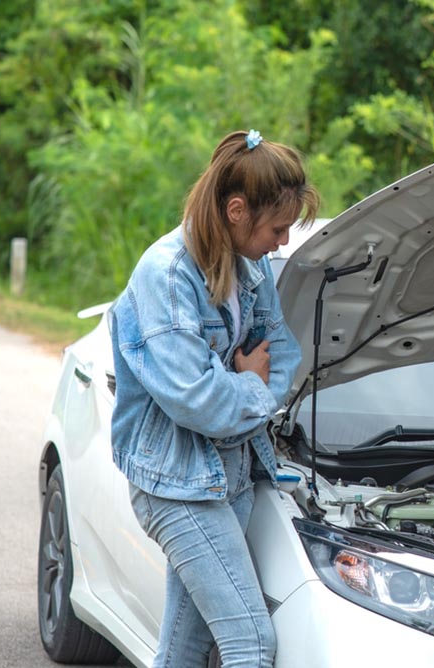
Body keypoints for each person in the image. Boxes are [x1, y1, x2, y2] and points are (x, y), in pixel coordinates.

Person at [109, 129, 319, 667]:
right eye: (277, 228)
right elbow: (197, 401)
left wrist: (242, 388)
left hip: (232, 473)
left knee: (184, 649)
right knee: (251, 642)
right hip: (177, 486)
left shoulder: (250, 269)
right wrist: (248, 382)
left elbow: (283, 357)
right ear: (235, 210)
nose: (282, 242)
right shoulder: (167, 276)